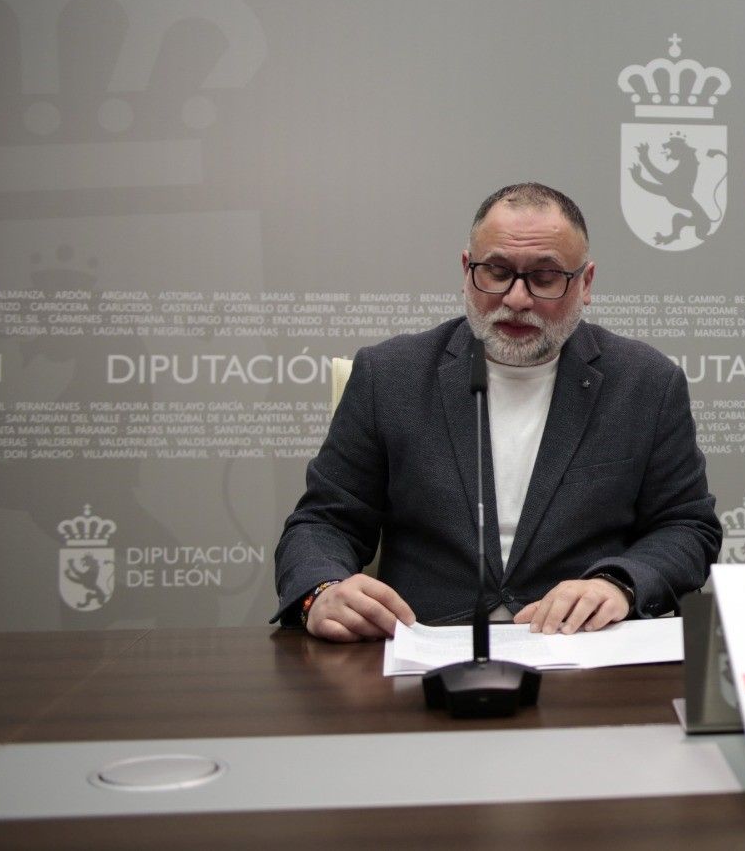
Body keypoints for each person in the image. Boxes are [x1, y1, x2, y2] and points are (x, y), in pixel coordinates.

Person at [275, 183, 721, 640]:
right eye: (497, 272)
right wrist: (321, 589)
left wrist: (621, 584)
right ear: (467, 270)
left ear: (585, 283)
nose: (517, 299)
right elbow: (323, 522)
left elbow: (686, 528)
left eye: (544, 277)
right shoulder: (390, 375)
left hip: (581, 649)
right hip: (424, 650)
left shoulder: (646, 383)